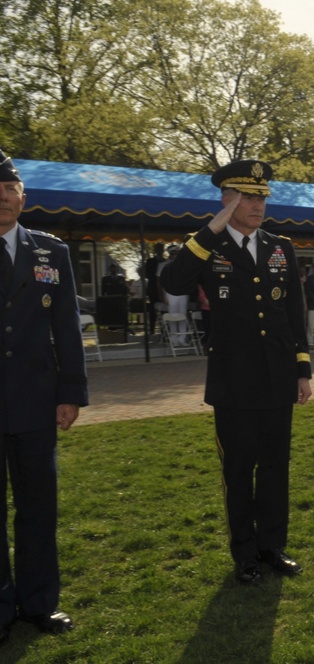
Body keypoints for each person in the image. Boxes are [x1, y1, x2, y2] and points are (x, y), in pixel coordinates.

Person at [160, 159, 312, 585]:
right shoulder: (208, 246)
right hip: (234, 380)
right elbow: (174, 281)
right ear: (227, 200)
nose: (259, 204)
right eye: (248, 196)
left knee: (275, 466)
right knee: (239, 469)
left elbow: (292, 314)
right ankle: (244, 552)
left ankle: (273, 546)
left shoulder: (280, 247)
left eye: (263, 196)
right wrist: (210, 230)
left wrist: (303, 369)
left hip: (278, 376)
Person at [0, 149, 87, 642]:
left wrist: (71, 392)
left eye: (11, 190)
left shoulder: (51, 252)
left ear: (23, 197)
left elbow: (67, 327)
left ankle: (38, 603)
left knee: (38, 508)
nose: (4, 198)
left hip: (36, 401)